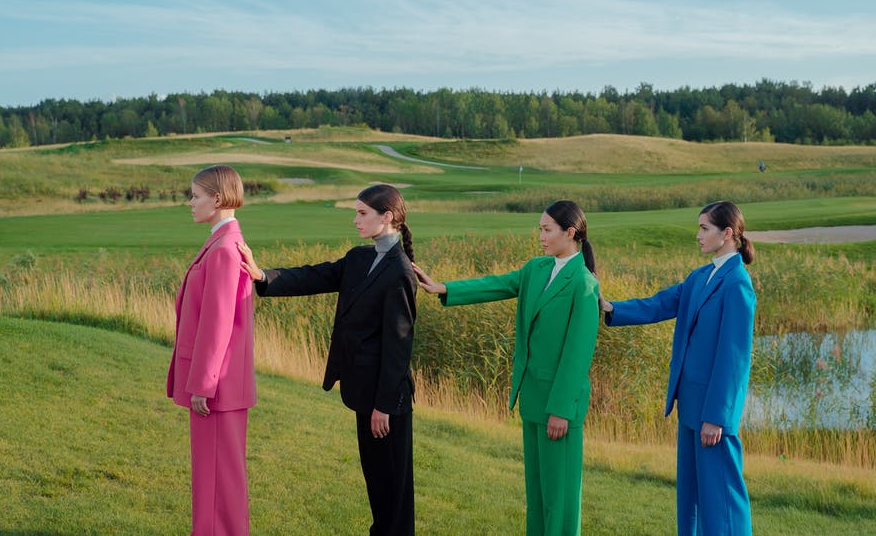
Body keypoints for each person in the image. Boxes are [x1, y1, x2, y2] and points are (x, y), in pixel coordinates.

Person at [237, 184, 416, 536]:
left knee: (394, 492)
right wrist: (262, 276)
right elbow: (315, 275)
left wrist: (383, 406)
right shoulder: (360, 258)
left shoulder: (400, 272)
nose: (355, 220)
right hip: (363, 391)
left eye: (362, 213)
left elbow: (399, 346)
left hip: (387, 402)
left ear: (388, 217)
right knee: (377, 483)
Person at [412, 200, 600, 536]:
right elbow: (496, 285)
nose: (540, 235)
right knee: (538, 495)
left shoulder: (583, 284)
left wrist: (560, 409)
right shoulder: (536, 269)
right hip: (531, 399)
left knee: (561, 500)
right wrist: (444, 288)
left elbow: (577, 355)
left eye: (547, 229)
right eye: (539, 228)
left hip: (559, 408)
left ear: (570, 233)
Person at [601, 200, 756, 536]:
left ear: (727, 233)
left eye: (704, 228)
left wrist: (717, 417)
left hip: (712, 415)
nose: (697, 235)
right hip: (689, 405)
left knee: (723, 498)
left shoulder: (738, 284)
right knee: (691, 499)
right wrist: (612, 308)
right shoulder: (700, 276)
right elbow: (661, 303)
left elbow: (734, 358)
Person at [167, 164, 257, 536]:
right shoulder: (222, 242)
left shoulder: (222, 249)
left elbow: (217, 324)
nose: (190, 203)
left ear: (216, 199)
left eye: (196, 195)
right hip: (221, 384)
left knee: (218, 480)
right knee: (216, 479)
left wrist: (202, 383)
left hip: (215, 387)